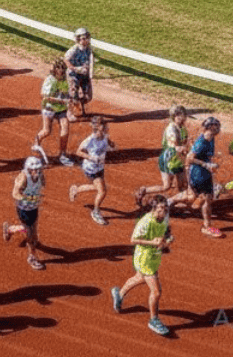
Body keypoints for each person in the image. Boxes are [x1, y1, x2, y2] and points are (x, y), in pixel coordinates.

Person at [110, 196, 173, 337]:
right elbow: (133, 240)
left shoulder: (164, 217)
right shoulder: (145, 222)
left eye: (165, 208)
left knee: (139, 278)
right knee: (156, 292)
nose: (164, 211)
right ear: (154, 209)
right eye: (161, 209)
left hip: (154, 257)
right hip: (144, 258)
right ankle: (154, 320)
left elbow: (167, 230)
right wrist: (153, 242)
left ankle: (119, 294)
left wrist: (168, 239)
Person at [134, 105, 190, 211]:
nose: (183, 118)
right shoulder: (171, 129)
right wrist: (184, 150)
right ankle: (143, 191)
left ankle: (179, 202)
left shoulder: (183, 129)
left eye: (183, 115)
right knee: (166, 186)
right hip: (168, 159)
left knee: (183, 185)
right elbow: (174, 146)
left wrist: (186, 150)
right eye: (180, 115)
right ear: (175, 116)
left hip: (178, 159)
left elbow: (184, 143)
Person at [69, 115, 115, 226]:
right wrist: (91, 157)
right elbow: (78, 152)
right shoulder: (90, 140)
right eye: (102, 124)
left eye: (104, 124)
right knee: (102, 191)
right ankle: (95, 212)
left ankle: (76, 189)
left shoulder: (105, 136)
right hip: (91, 168)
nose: (105, 126)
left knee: (97, 187)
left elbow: (111, 145)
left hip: (100, 167)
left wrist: (111, 145)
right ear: (97, 127)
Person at [3, 155, 46, 271]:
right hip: (23, 209)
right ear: (28, 169)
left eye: (38, 169)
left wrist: (36, 196)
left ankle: (10, 229)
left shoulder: (40, 175)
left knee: (33, 232)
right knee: (31, 235)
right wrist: (28, 198)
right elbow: (15, 193)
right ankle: (32, 257)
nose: (36, 171)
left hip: (34, 207)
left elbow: (43, 183)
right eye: (34, 169)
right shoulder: (23, 177)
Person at [32, 58, 73, 166]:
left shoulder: (65, 79)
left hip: (61, 109)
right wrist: (61, 100)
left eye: (63, 71)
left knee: (65, 128)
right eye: (60, 71)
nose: (62, 73)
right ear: (55, 70)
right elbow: (44, 97)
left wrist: (70, 98)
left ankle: (62, 155)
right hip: (49, 108)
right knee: (46, 131)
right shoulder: (50, 81)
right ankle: (36, 145)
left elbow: (66, 93)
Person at [64, 27, 94, 118]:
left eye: (87, 37)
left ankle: (80, 105)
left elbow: (90, 61)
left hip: (84, 75)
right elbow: (66, 60)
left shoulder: (88, 49)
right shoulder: (74, 49)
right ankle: (69, 112)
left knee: (88, 97)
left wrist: (90, 73)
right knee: (73, 95)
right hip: (73, 75)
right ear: (78, 39)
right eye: (84, 38)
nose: (86, 40)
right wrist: (75, 69)